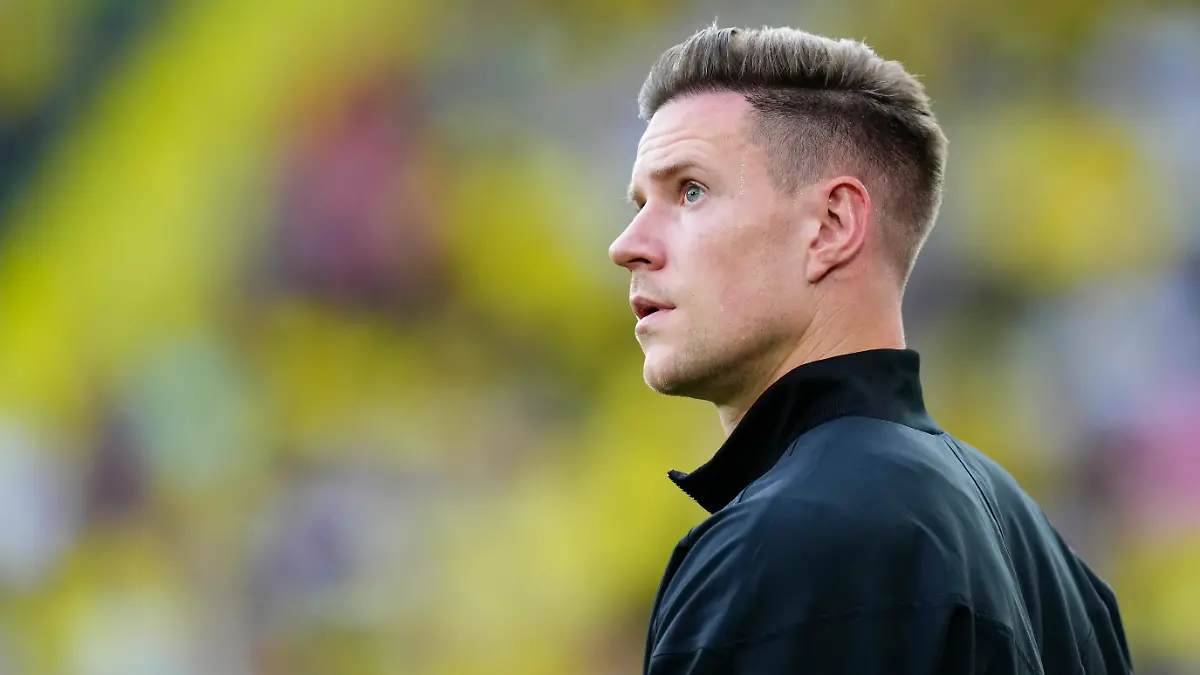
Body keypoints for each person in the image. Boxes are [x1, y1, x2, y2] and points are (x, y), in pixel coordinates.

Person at [609, 26, 1133, 674]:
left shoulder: (788, 543)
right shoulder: (1060, 575)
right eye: (639, 202)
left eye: (690, 190)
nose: (628, 243)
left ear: (831, 227)